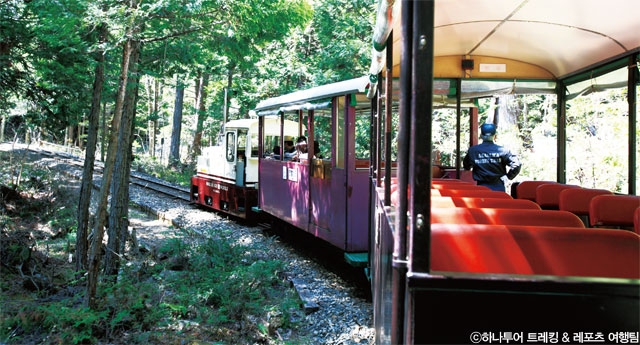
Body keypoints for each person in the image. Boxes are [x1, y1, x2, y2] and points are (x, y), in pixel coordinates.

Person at [463, 123, 521, 192]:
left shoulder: (473, 151)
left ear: (481, 136)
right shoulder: (503, 150)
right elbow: (516, 164)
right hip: (499, 188)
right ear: (495, 136)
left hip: (481, 188)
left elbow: (466, 166)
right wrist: (508, 176)